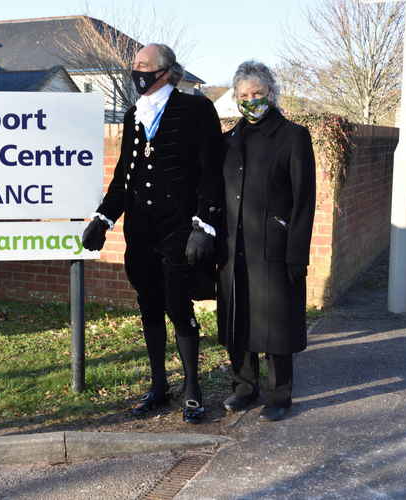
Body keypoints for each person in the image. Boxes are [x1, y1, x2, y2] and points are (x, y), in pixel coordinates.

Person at [82, 44, 224, 423]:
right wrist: (104, 218)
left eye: (144, 65)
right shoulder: (133, 115)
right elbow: (122, 178)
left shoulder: (195, 109)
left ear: (165, 71)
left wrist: (204, 225)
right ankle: (159, 385)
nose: (136, 70)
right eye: (134, 65)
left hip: (179, 229)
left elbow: (212, 172)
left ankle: (193, 387)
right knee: (149, 307)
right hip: (141, 233)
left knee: (179, 307)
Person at [217, 61, 316, 422]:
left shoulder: (293, 136)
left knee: (276, 325)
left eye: (257, 93)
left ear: (271, 93)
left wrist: (296, 253)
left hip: (274, 247)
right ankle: (244, 387)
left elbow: (304, 199)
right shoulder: (229, 139)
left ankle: (279, 394)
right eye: (243, 95)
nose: (250, 100)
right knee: (237, 320)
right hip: (234, 248)